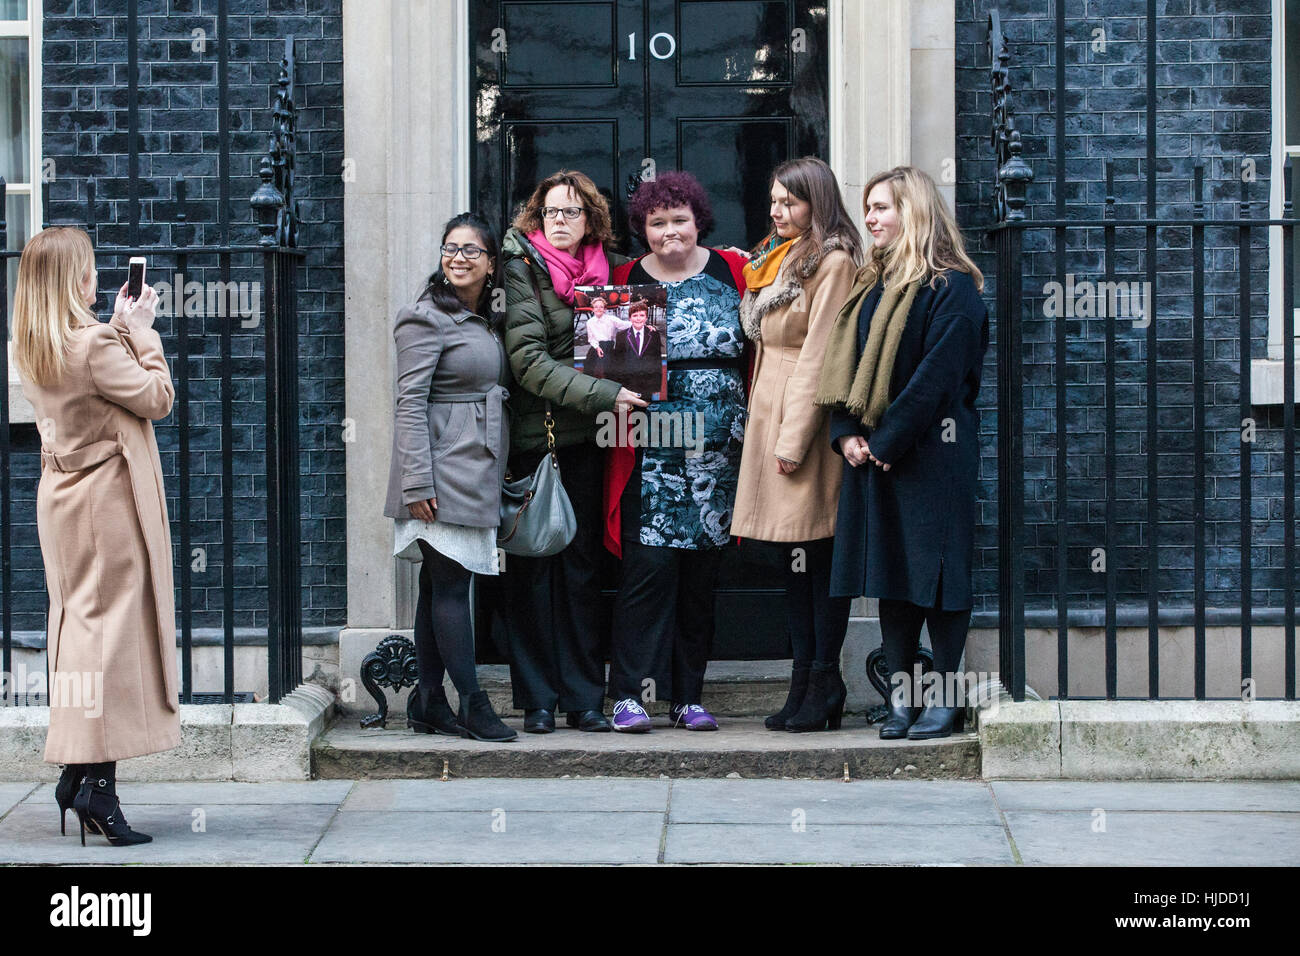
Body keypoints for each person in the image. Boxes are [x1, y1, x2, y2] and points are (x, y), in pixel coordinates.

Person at [14, 227, 180, 846]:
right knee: (108, 638)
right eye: (85, 269)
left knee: (79, 628)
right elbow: (157, 397)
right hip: (106, 501)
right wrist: (141, 330)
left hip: (61, 500)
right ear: (71, 280)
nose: (93, 277)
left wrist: (114, 331)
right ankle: (97, 790)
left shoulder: (33, 343)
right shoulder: (95, 345)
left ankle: (79, 770)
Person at [816, 165, 989, 741]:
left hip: (933, 454)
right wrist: (846, 434)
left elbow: (939, 377)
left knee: (938, 579)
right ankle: (901, 700)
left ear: (913, 211)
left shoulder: (953, 286)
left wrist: (888, 441)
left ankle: (942, 697)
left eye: (882, 208)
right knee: (891, 577)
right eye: (867, 209)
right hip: (873, 455)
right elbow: (842, 370)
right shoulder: (872, 285)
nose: (870, 218)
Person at [499, 169, 648, 734]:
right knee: (534, 573)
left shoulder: (608, 273)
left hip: (587, 442)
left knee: (583, 572)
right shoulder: (522, 268)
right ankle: (537, 700)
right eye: (551, 212)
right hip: (537, 444)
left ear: (591, 220)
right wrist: (610, 393)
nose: (560, 222)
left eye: (572, 212)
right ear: (538, 219)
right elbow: (528, 362)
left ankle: (584, 699)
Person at [602, 170, 749, 732]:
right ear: (643, 228)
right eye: (657, 222)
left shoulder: (732, 269)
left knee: (700, 578)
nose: (669, 232)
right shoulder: (624, 279)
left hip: (720, 446)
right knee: (649, 569)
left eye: (679, 220)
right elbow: (610, 371)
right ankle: (628, 696)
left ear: (698, 222)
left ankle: (688, 697)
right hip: (652, 445)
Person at [731, 156, 864, 732]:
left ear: (818, 203)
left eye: (789, 202)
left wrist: (793, 440)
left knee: (815, 558)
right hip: (768, 408)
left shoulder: (831, 260)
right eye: (774, 201)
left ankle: (823, 680)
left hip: (798, 417)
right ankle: (802, 682)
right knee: (792, 559)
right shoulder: (776, 258)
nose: (777, 211)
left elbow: (819, 356)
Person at [382, 212, 516, 742]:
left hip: (472, 467)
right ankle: (474, 704)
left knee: (436, 587)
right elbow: (409, 401)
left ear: (490, 264)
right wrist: (417, 482)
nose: (458, 257)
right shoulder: (424, 317)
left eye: (471, 250)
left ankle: (429, 702)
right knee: (451, 587)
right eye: (450, 248)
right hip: (440, 471)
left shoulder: (479, 318)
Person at [609, 297, 664, 400]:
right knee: (626, 411)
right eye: (635, 316)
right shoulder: (621, 335)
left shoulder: (654, 334)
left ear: (646, 318)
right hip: (628, 381)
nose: (638, 319)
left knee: (645, 409)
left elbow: (657, 359)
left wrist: (656, 384)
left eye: (642, 315)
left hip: (647, 382)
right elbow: (617, 361)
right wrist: (617, 385)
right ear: (629, 318)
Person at [581, 294, 628, 379]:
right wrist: (597, 348)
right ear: (592, 309)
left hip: (608, 344)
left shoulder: (611, 319)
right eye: (596, 307)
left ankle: (609, 380)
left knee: (607, 365)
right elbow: (591, 339)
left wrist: (642, 325)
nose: (598, 308)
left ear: (605, 309)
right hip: (597, 345)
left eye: (601, 307)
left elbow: (624, 325)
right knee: (588, 364)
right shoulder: (590, 322)